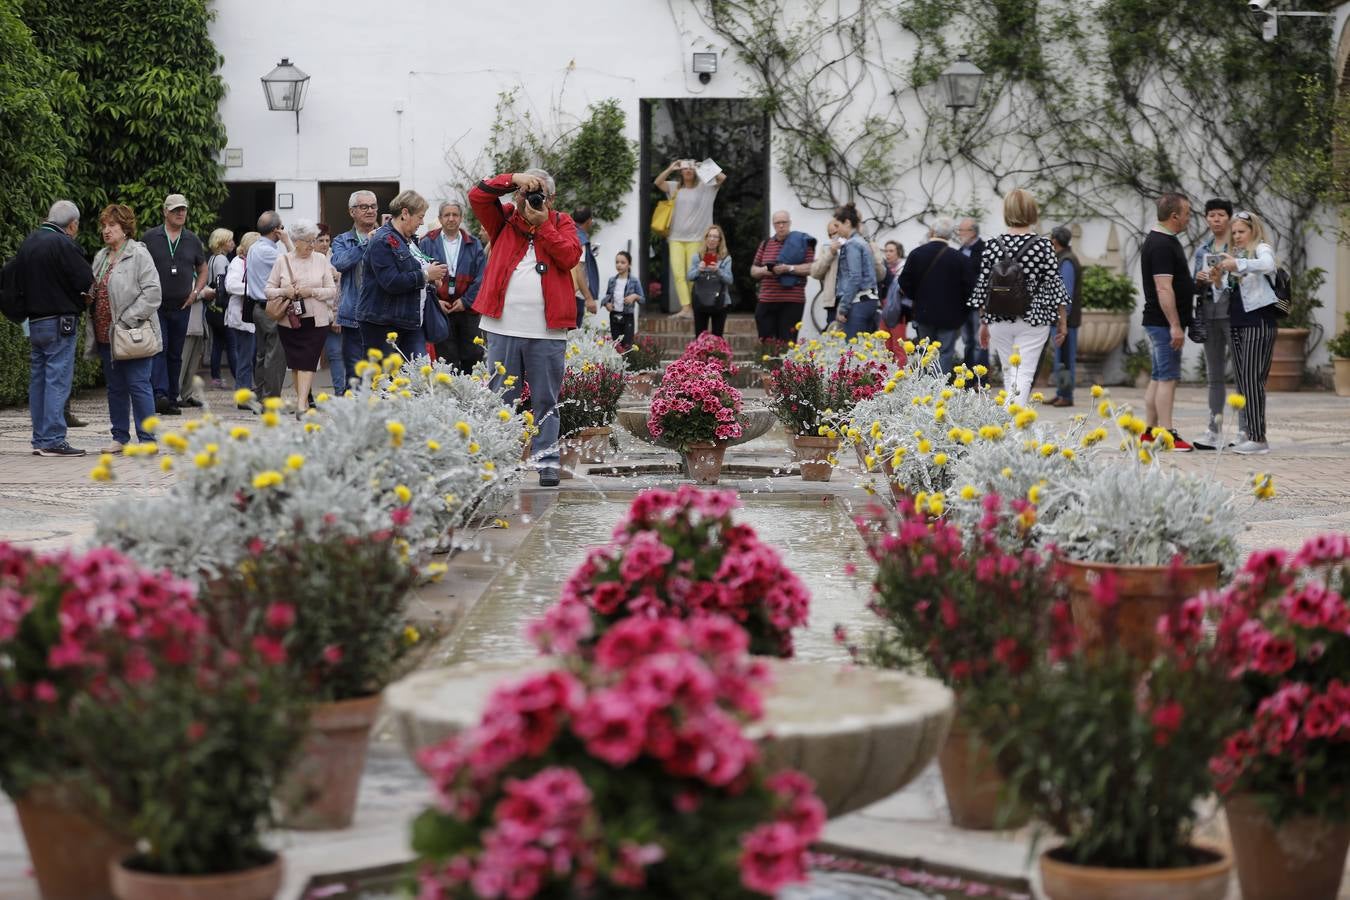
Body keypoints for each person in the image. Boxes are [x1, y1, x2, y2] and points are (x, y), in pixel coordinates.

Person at [468, 168, 582, 487]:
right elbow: (477, 196)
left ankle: (546, 463)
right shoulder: (503, 219)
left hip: (547, 330)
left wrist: (544, 224)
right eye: (525, 192)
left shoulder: (561, 222)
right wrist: (513, 179)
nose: (529, 199)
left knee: (546, 399)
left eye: (538, 193)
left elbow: (570, 256)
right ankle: (500, 460)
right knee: (501, 397)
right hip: (502, 325)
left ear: (551, 198)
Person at [968, 189, 1070, 409]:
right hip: (1034, 318)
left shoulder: (992, 245)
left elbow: (984, 288)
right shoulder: (1043, 246)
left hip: (999, 318)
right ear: (1033, 211)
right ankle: (1014, 429)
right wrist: (1062, 320)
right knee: (1023, 375)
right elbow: (1054, 284)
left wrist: (983, 322)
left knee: (1010, 375)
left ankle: (1010, 426)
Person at [14, 201, 94, 456]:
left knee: (38, 381)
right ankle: (53, 439)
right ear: (72, 224)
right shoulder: (63, 243)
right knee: (57, 380)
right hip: (60, 322)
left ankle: (40, 438)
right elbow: (85, 279)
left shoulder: (29, 242)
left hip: (34, 322)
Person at [84, 204, 161, 453]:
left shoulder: (139, 254)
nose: (106, 230)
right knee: (115, 387)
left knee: (138, 385)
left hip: (132, 333)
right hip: (106, 334)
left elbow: (152, 293)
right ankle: (119, 436)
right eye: (104, 226)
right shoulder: (101, 257)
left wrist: (127, 319)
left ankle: (148, 439)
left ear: (125, 228)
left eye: (112, 226)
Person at [1212, 210, 1280, 455]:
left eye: (1241, 231)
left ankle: (1258, 438)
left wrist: (1238, 263)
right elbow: (1224, 294)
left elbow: (1269, 265)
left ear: (1253, 231)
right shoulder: (1237, 256)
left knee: (1253, 381)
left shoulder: (1261, 249)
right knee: (1243, 381)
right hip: (1238, 322)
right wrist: (1218, 279)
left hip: (1258, 322)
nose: (1237, 236)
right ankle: (1250, 434)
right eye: (1235, 232)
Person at [356, 190, 446, 360]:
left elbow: (415, 271)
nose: (422, 222)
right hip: (383, 324)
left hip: (410, 322)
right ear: (405, 213)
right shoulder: (382, 240)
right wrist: (426, 275)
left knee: (419, 376)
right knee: (383, 380)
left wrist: (433, 279)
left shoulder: (410, 240)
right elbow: (391, 282)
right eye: (420, 216)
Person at [1138, 192, 1196, 450]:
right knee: (1168, 378)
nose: (1189, 218)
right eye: (1187, 213)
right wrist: (1174, 325)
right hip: (1163, 323)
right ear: (1174, 216)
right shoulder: (1161, 244)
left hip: (1159, 322)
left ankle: (1148, 432)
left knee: (1159, 376)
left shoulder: (1163, 240)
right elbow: (1163, 288)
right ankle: (1167, 434)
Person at [264, 219, 338, 417]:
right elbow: (268, 290)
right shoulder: (283, 261)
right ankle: (301, 401)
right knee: (297, 363)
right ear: (296, 241)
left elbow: (332, 291)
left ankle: (302, 405)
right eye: (308, 241)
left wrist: (311, 291)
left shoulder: (321, 260)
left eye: (313, 240)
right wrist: (284, 290)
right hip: (290, 321)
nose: (312, 245)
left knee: (308, 361)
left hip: (317, 320)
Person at [143, 194, 208, 414]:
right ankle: (158, 395)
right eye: (176, 210)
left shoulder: (192, 239)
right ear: (165, 212)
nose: (181, 213)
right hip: (156, 306)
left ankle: (172, 396)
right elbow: (139, 266)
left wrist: (196, 292)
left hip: (182, 305)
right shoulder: (151, 237)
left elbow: (203, 268)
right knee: (158, 349)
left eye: (184, 209)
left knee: (175, 353)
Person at [1191, 198, 1242, 449]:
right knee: (1214, 376)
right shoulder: (1202, 250)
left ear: (1229, 217)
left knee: (1242, 374)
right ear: (1206, 219)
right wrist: (1200, 279)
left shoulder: (1239, 245)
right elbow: (1194, 284)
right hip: (1209, 313)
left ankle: (1245, 431)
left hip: (1235, 315)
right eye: (1211, 215)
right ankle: (1213, 430)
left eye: (1221, 215)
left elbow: (1247, 278)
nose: (1216, 219)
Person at [419, 200, 487, 374]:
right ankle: (447, 397)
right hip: (440, 310)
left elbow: (481, 277)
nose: (451, 219)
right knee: (444, 358)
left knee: (472, 356)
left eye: (455, 215)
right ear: (440, 218)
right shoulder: (427, 242)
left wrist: (465, 301)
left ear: (461, 218)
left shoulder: (473, 244)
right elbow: (422, 274)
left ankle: (471, 397)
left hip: (467, 311)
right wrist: (435, 301)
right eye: (447, 215)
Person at [654, 158, 727, 317]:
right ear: (681, 171)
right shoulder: (675, 187)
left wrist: (704, 166)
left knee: (692, 274)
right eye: (685, 168)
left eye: (690, 168)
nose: (688, 170)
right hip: (675, 238)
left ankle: (696, 306)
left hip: (697, 239)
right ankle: (686, 308)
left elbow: (723, 178)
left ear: (695, 171)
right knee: (678, 274)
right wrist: (671, 168)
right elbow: (658, 182)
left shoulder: (706, 187)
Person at [899, 217, 972, 374]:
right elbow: (969, 289)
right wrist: (961, 311)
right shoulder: (960, 259)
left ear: (932, 231)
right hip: (951, 315)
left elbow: (904, 281)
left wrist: (916, 298)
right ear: (950, 235)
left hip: (923, 313)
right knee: (945, 352)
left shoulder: (917, 254)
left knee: (926, 352)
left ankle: (925, 392)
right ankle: (940, 392)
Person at [331, 191, 379, 386]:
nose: (370, 211)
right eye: (364, 207)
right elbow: (340, 263)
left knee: (380, 374)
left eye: (373, 206)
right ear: (352, 212)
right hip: (354, 317)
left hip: (381, 315)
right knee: (355, 374)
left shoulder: (387, 236)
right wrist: (367, 242)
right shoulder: (341, 240)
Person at [246, 211, 293, 399]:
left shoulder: (254, 247)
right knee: (275, 356)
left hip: (259, 306)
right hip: (272, 308)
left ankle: (259, 395)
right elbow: (296, 264)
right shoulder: (270, 251)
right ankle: (270, 399)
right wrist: (287, 241)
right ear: (276, 230)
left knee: (262, 354)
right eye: (281, 227)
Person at [751, 211, 815, 345]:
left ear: (789, 223)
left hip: (792, 302)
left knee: (788, 343)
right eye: (777, 223)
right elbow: (753, 270)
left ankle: (786, 367)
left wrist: (788, 268)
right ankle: (769, 366)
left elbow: (811, 268)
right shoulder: (766, 243)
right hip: (767, 300)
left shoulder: (803, 242)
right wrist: (767, 270)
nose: (781, 226)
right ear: (773, 225)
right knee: (766, 342)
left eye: (784, 222)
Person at [830, 204, 879, 340]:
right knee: (865, 351)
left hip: (858, 303)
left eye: (837, 225)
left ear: (847, 222)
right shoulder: (863, 242)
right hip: (870, 301)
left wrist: (843, 307)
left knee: (853, 351)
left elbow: (855, 277)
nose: (837, 230)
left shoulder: (852, 244)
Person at [1047, 225, 1082, 407]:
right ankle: (1061, 392)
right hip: (1062, 320)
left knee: (1066, 358)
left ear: (1055, 241)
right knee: (1060, 358)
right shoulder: (1062, 258)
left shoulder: (1066, 261)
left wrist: (1063, 321)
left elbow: (1065, 294)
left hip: (1066, 321)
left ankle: (1066, 395)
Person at [224, 231, 260, 398]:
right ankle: (243, 393)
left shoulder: (256, 262)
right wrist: (255, 289)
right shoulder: (238, 263)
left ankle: (251, 389)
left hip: (255, 316)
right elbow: (231, 286)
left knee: (253, 356)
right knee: (245, 357)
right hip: (242, 315)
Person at [687, 224, 733, 338]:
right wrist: (699, 269)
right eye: (710, 236)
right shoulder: (697, 257)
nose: (712, 239)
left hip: (720, 301)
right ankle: (701, 356)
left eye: (715, 237)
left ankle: (716, 356)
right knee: (700, 337)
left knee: (717, 337)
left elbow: (730, 280)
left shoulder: (726, 258)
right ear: (706, 238)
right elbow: (689, 277)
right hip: (700, 300)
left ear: (720, 240)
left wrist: (718, 270)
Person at [203, 228, 236, 389]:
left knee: (217, 343)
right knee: (232, 344)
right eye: (230, 240)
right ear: (222, 243)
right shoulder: (222, 260)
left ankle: (215, 377)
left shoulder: (212, 259)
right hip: (221, 308)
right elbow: (222, 284)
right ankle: (240, 379)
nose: (233, 244)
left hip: (212, 309)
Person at [957, 217, 988, 371]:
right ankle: (968, 377)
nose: (959, 233)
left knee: (978, 341)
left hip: (978, 304)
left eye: (962, 230)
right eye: (959, 230)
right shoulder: (961, 249)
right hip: (963, 304)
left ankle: (980, 377)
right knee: (967, 341)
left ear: (973, 232)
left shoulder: (984, 249)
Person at [605, 251, 645, 348]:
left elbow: (643, 300)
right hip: (614, 315)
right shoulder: (612, 280)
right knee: (616, 345)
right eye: (617, 262)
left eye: (623, 262)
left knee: (627, 344)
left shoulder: (634, 281)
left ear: (629, 264)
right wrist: (607, 304)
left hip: (627, 316)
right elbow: (608, 296)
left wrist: (634, 296)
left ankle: (627, 362)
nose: (619, 265)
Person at [571, 207, 599, 327]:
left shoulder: (569, 233)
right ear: (589, 221)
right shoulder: (580, 239)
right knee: (573, 335)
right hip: (576, 295)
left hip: (566, 293)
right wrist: (588, 298)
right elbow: (579, 270)